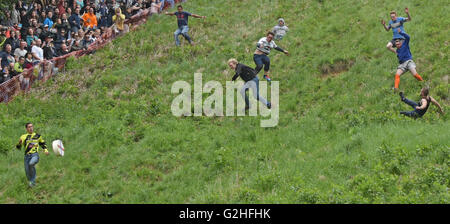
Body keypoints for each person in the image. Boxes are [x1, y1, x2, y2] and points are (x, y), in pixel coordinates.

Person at [16, 123, 49, 188]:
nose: (31, 128)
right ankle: (31, 182)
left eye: (32, 126)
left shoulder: (38, 136)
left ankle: (33, 182)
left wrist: (46, 150)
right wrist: (19, 143)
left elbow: (42, 144)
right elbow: (18, 147)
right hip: (27, 156)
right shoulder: (23, 136)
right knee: (27, 172)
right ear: (26, 128)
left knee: (31, 164)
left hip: (35, 155)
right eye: (29, 127)